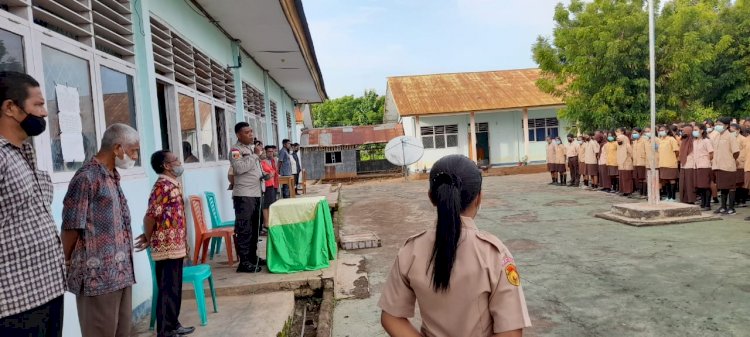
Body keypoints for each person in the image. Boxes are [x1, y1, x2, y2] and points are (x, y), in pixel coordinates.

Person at [378, 154, 531, 337]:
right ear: (479, 198)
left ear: (432, 198)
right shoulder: (494, 254)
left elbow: (391, 317)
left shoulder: (411, 251)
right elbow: (511, 331)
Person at [0, 71, 65, 337]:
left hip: (48, 289)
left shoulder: (25, 153)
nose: (45, 113)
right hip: (15, 306)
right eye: (37, 104)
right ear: (11, 108)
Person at [61, 123, 140, 337]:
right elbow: (71, 226)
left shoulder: (111, 175)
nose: (134, 157)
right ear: (117, 148)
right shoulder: (86, 177)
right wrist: (65, 262)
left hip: (121, 275)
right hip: (97, 279)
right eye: (133, 150)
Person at [135, 150, 195, 337]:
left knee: (175, 288)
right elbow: (150, 216)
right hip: (165, 246)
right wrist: (148, 236)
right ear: (166, 166)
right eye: (175, 160)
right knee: (168, 288)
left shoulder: (172, 184)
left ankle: (173, 324)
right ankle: (165, 330)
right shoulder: (162, 186)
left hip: (176, 245)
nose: (179, 162)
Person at [229, 122, 264, 272]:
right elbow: (238, 168)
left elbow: (252, 169)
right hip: (244, 196)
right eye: (247, 132)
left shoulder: (249, 149)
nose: (251, 135)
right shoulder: (235, 150)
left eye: (251, 131)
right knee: (245, 229)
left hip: (255, 193)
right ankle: (243, 262)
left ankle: (252, 257)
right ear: (238, 135)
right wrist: (256, 155)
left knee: (256, 227)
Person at [711, 117, 740, 215]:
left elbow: (736, 152)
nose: (717, 126)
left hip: (728, 166)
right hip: (718, 165)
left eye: (720, 124)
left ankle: (731, 208)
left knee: (731, 187)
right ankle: (723, 207)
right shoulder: (717, 136)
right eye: (717, 124)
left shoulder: (731, 136)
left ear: (726, 125)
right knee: (722, 187)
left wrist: (730, 160)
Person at [693, 125, 714, 211]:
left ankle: (707, 204)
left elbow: (711, 153)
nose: (694, 131)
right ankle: (703, 203)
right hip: (697, 165)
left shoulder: (706, 141)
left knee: (706, 185)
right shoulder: (695, 141)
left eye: (696, 130)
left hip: (705, 165)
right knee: (700, 186)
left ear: (701, 131)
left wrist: (707, 161)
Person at [260, 145, 280, 234]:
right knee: (266, 205)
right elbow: (268, 173)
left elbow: (274, 172)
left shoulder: (274, 160)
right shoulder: (263, 162)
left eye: (272, 151)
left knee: (271, 204)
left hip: (273, 184)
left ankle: (269, 223)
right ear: (265, 152)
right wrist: (271, 173)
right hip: (267, 186)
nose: (271, 153)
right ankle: (266, 225)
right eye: (269, 152)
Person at [657, 126, 680, 202]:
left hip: (671, 163)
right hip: (662, 163)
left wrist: (672, 158)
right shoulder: (660, 140)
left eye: (662, 130)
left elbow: (676, 151)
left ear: (667, 130)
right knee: (665, 180)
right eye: (660, 130)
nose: (661, 131)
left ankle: (673, 197)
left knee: (671, 180)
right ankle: (668, 196)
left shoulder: (671, 139)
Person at [678, 125, 697, 204]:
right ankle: (684, 199)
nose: (683, 133)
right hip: (683, 165)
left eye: (685, 131)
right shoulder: (683, 141)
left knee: (690, 183)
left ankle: (691, 199)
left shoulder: (693, 141)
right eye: (682, 131)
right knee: (683, 183)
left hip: (690, 165)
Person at [616, 130, 634, 196]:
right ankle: (623, 191)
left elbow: (632, 155)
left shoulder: (627, 145)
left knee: (627, 178)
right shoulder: (619, 146)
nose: (618, 141)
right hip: (621, 165)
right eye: (617, 140)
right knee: (622, 179)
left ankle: (628, 191)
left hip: (627, 164)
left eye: (619, 140)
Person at [631, 128, 647, 199]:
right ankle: (640, 193)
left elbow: (647, 151)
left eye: (636, 133)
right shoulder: (634, 142)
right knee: (639, 178)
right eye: (633, 133)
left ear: (640, 133)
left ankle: (644, 193)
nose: (634, 134)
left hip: (643, 162)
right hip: (636, 162)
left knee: (643, 178)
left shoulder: (644, 140)